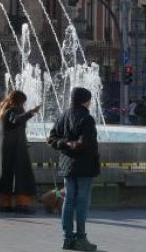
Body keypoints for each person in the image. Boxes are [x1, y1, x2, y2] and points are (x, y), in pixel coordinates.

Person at [48, 87, 101, 251]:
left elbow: (51, 138)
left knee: (69, 200)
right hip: (84, 166)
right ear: (85, 100)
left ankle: (67, 238)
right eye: (89, 100)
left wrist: (63, 144)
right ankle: (81, 238)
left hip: (67, 165)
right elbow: (87, 144)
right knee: (82, 202)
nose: (91, 103)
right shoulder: (87, 118)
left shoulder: (63, 115)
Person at [0, 89, 40, 214]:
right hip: (15, 148)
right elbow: (16, 120)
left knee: (6, 176)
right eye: (23, 102)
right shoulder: (13, 110)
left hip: (5, 148)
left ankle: (5, 205)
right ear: (19, 101)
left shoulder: (4, 111)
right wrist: (31, 112)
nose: (24, 105)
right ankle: (22, 206)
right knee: (22, 175)